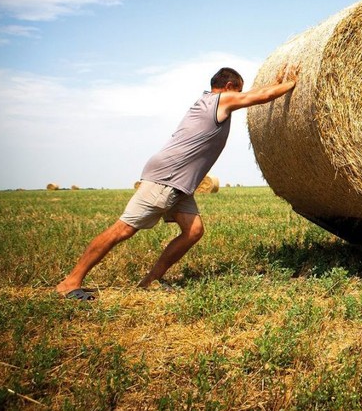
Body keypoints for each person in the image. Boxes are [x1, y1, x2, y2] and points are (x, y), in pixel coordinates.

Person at [56, 65, 299, 300]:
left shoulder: (207, 102)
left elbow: (257, 93)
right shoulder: (219, 101)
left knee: (193, 231)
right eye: (239, 91)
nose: (240, 97)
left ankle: (151, 281)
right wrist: (293, 83)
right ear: (228, 87)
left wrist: (276, 82)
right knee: (123, 229)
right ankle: (70, 282)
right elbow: (261, 97)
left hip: (181, 181)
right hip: (168, 177)